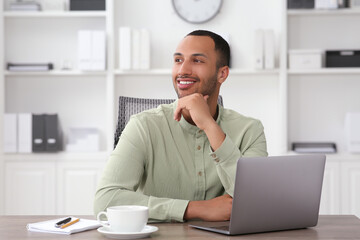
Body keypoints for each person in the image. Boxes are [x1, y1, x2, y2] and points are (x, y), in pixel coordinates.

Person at [94, 30, 268, 222]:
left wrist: (210, 126)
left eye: (197, 61)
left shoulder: (250, 130)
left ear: (222, 73)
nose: (183, 70)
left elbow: (258, 201)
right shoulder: (143, 126)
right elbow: (105, 201)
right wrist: (194, 209)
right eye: (178, 60)